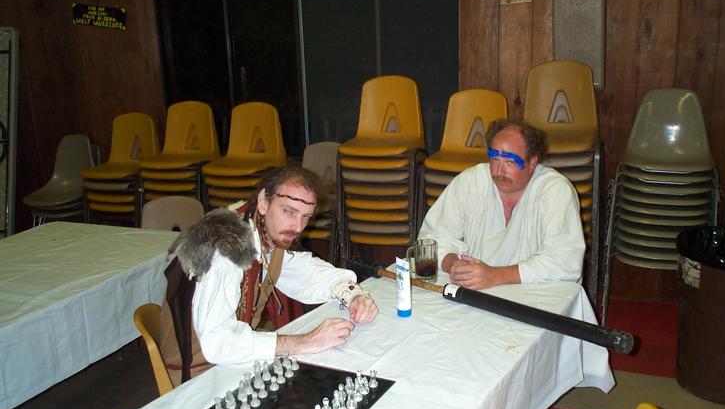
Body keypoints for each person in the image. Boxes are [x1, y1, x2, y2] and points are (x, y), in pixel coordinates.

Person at [160, 166, 378, 386]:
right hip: (201, 374)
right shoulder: (225, 251)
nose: (298, 227)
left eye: (305, 217)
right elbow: (218, 344)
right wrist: (304, 341)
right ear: (263, 202)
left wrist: (352, 294)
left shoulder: (262, 231)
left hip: (232, 360)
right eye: (289, 212)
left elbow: (307, 272)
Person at [417, 117, 585, 290]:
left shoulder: (554, 190)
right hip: (478, 292)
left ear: (532, 163)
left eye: (510, 162)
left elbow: (565, 261)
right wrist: (453, 264)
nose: (499, 171)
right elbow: (430, 240)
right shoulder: (472, 182)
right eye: (495, 159)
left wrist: (495, 275)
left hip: (537, 294)